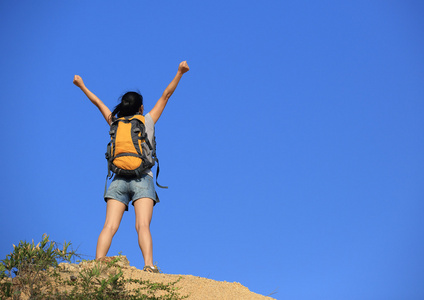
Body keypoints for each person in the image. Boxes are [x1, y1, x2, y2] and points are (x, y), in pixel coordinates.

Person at [73, 61, 190, 273]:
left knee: (109, 225)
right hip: (142, 179)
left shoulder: (115, 123)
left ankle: (98, 261)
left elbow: (98, 103)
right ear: (141, 108)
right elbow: (166, 95)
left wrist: (81, 85)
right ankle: (148, 265)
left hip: (118, 180)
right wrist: (180, 72)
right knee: (142, 226)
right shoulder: (146, 121)